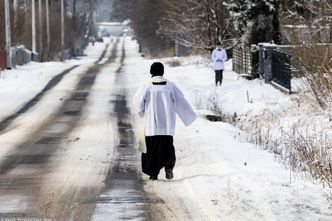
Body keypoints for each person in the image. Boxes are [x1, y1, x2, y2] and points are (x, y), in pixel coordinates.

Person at [133, 62, 197, 180]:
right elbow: (180, 101)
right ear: (163, 72)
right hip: (167, 125)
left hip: (151, 125)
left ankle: (154, 173)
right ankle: (168, 167)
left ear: (151, 72)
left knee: (151, 149)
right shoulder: (170, 86)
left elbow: (138, 103)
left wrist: (142, 113)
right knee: (167, 147)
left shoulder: (146, 86)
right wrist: (189, 116)